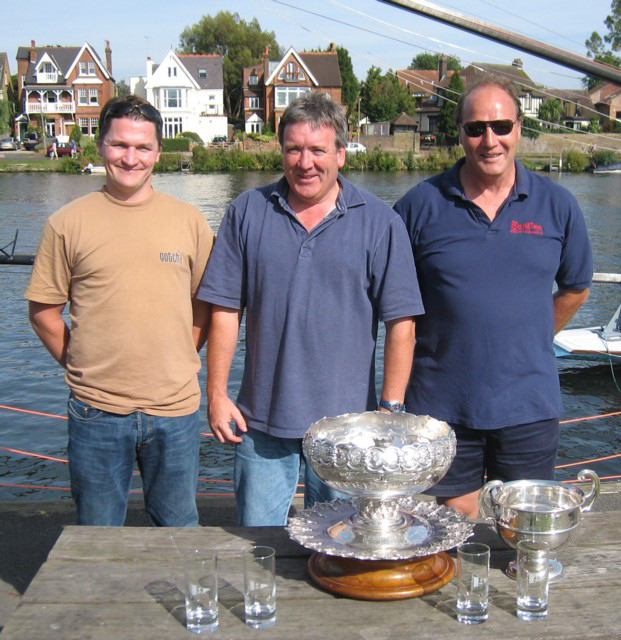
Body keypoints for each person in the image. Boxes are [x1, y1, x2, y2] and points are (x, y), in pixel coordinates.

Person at [197, 92, 424, 526]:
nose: (305, 162)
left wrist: (390, 413)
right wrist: (217, 393)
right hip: (259, 425)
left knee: (344, 549)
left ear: (341, 153)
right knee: (258, 545)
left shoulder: (380, 223)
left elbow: (402, 323)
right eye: (294, 149)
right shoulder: (247, 212)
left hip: (349, 433)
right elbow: (225, 309)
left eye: (318, 150)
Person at [394, 78, 592, 518]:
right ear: (459, 132)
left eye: (501, 126)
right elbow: (392, 303)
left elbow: (577, 287)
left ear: (520, 128)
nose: (490, 140)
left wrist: (532, 336)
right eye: (476, 128)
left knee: (523, 535)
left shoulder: (558, 205)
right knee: (452, 533)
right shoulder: (418, 206)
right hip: (442, 406)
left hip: (528, 404)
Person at [25, 95, 215, 526]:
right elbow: (43, 311)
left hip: (176, 410)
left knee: (179, 530)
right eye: (119, 145)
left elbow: (206, 304)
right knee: (97, 533)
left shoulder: (189, 221)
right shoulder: (66, 222)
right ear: (101, 146)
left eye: (143, 147)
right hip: (96, 411)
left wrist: (183, 355)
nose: (131, 158)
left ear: (159, 152)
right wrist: (81, 362)